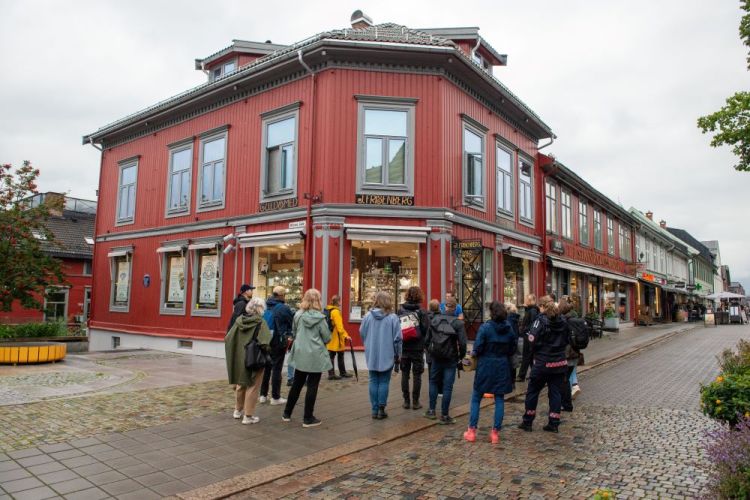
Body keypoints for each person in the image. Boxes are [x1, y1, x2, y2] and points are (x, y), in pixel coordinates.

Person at [464, 302, 516, 444]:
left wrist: (473, 354)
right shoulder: (509, 329)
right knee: (499, 399)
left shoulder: (485, 328)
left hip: (485, 365)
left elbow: (478, 347)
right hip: (502, 366)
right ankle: (495, 433)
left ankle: (472, 430)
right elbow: (512, 349)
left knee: (476, 398)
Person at [518, 295, 570, 433]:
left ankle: (528, 421)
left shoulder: (540, 321)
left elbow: (531, 339)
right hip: (559, 362)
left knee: (533, 391)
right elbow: (568, 339)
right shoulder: (563, 320)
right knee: (555, 393)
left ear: (542, 306)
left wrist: (535, 347)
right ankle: (554, 423)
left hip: (542, 362)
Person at [282, 289, 331, 428]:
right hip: (315, 354)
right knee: (312, 385)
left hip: (300, 352)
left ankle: (287, 413)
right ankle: (307, 418)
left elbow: (294, 332)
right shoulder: (320, 318)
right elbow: (327, 337)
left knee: (297, 383)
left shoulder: (298, 315)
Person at [224, 297, 271, 425]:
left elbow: (228, 338)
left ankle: (237, 411)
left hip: (240, 357)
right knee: (253, 386)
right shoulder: (261, 323)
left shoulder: (239, 321)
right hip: (254, 359)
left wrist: (236, 351)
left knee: (241, 384)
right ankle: (248, 416)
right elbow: (265, 342)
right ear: (261, 309)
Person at [424, 296, 467, 424]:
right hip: (451, 357)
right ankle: (444, 415)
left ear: (444, 307)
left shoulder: (435, 319)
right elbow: (463, 343)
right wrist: (461, 357)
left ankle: (431, 410)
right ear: (455, 308)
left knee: (433, 382)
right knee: (447, 387)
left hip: (436, 356)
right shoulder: (458, 323)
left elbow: (426, 340)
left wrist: (430, 352)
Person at [361, 291, 402, 420]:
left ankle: (374, 409)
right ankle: (381, 408)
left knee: (373, 380)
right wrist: (398, 355)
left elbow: (362, 332)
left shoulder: (368, 316)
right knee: (384, 381)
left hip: (372, 353)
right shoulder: (393, 318)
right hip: (387, 353)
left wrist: (368, 343)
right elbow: (398, 339)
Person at [260, 286, 294, 405]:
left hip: (265, 340)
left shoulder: (265, 305)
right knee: (276, 369)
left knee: (266, 368)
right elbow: (292, 321)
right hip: (277, 342)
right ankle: (275, 397)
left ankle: (263, 395)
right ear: (282, 295)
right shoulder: (283, 308)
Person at [397, 286, 428, 410]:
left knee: (404, 374)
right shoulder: (422, 311)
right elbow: (426, 329)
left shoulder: (400, 310)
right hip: (417, 347)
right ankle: (415, 402)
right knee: (417, 375)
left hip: (404, 346)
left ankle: (406, 401)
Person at [559, 298, 582, 411]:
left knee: (564, 380)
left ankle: (567, 404)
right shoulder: (575, 319)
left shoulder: (564, 322)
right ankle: (568, 402)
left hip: (567, 354)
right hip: (575, 353)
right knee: (567, 378)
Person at [325, 295, 352, 380]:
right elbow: (339, 326)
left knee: (331, 356)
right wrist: (346, 336)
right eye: (340, 301)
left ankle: (332, 373)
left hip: (331, 336)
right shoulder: (336, 312)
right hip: (336, 337)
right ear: (338, 302)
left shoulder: (329, 310)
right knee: (340, 355)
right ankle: (341, 372)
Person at [516, 294, 539, 382]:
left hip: (529, 336)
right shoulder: (530, 310)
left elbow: (533, 324)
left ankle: (521, 376)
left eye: (526, 299)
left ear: (530, 301)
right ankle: (535, 374)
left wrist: (526, 331)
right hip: (528, 335)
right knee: (530, 356)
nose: (525, 301)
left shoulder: (532, 311)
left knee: (527, 355)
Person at [505, 302, 521, 386]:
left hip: (509, 343)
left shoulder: (508, 320)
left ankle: (510, 382)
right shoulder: (515, 318)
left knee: (509, 362)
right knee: (513, 362)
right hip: (515, 342)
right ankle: (513, 381)